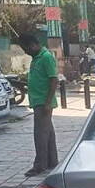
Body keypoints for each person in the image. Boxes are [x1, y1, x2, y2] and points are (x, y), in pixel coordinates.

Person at [17, 33, 59, 177]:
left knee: (40, 135)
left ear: (34, 44)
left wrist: (48, 102)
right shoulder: (36, 58)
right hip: (38, 101)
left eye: (26, 48)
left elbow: (54, 80)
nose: (26, 51)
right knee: (48, 134)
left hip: (43, 103)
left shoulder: (46, 57)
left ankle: (39, 165)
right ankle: (52, 161)